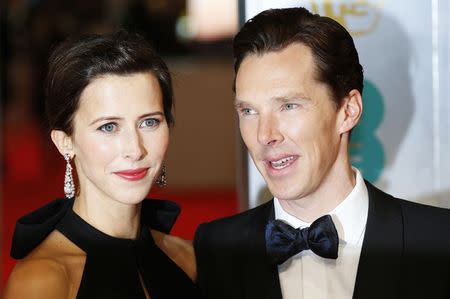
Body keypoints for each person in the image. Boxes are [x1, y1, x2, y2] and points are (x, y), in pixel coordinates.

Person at [194, 7, 450, 299]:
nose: (265, 135)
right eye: (249, 111)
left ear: (348, 111)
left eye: (289, 106)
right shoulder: (216, 250)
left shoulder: (439, 244)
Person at [3, 31, 201, 299]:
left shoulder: (187, 259)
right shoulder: (43, 282)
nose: (135, 149)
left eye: (149, 122)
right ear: (65, 142)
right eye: (109, 127)